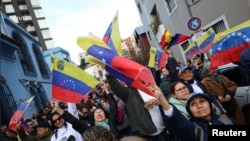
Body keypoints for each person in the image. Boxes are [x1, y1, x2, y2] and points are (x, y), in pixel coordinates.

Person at [149, 84, 236, 141]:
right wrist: (161, 98)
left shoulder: (229, 121)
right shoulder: (192, 129)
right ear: (189, 111)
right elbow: (176, 118)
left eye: (202, 101)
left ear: (210, 105)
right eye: (193, 104)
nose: (199, 106)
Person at [106, 74, 177, 141]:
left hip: (166, 132)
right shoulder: (129, 93)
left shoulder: (153, 88)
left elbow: (167, 107)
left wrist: (161, 102)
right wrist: (109, 72)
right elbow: (116, 87)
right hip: (147, 136)